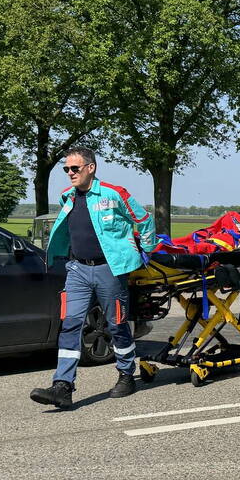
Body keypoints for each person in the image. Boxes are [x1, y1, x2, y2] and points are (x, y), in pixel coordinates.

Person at [30, 147, 157, 409]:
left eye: (74, 168)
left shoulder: (115, 194)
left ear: (91, 168)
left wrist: (145, 250)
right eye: (66, 169)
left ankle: (125, 375)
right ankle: (62, 386)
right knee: (70, 325)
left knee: (117, 325)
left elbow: (145, 221)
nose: (70, 173)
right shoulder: (68, 197)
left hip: (109, 270)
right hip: (77, 270)